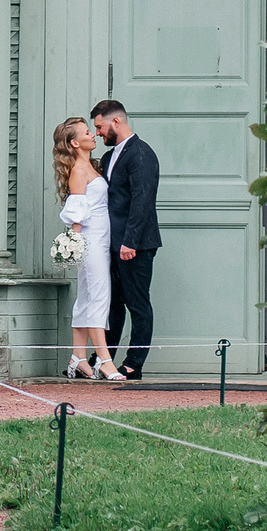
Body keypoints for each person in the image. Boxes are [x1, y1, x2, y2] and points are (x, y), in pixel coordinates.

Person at [90, 98, 160, 380]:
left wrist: (129, 242)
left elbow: (142, 201)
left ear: (116, 121)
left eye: (100, 127)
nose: (97, 133)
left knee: (138, 304)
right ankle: (103, 359)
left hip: (136, 245)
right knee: (112, 305)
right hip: (112, 244)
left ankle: (134, 363)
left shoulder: (141, 154)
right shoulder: (110, 157)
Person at [51, 116, 120, 380]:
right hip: (91, 241)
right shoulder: (79, 171)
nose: (93, 135)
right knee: (98, 296)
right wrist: (74, 243)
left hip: (101, 238)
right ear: (74, 143)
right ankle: (104, 359)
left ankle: (78, 356)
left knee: (86, 298)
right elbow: (78, 213)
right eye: (86, 133)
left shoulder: (91, 166)